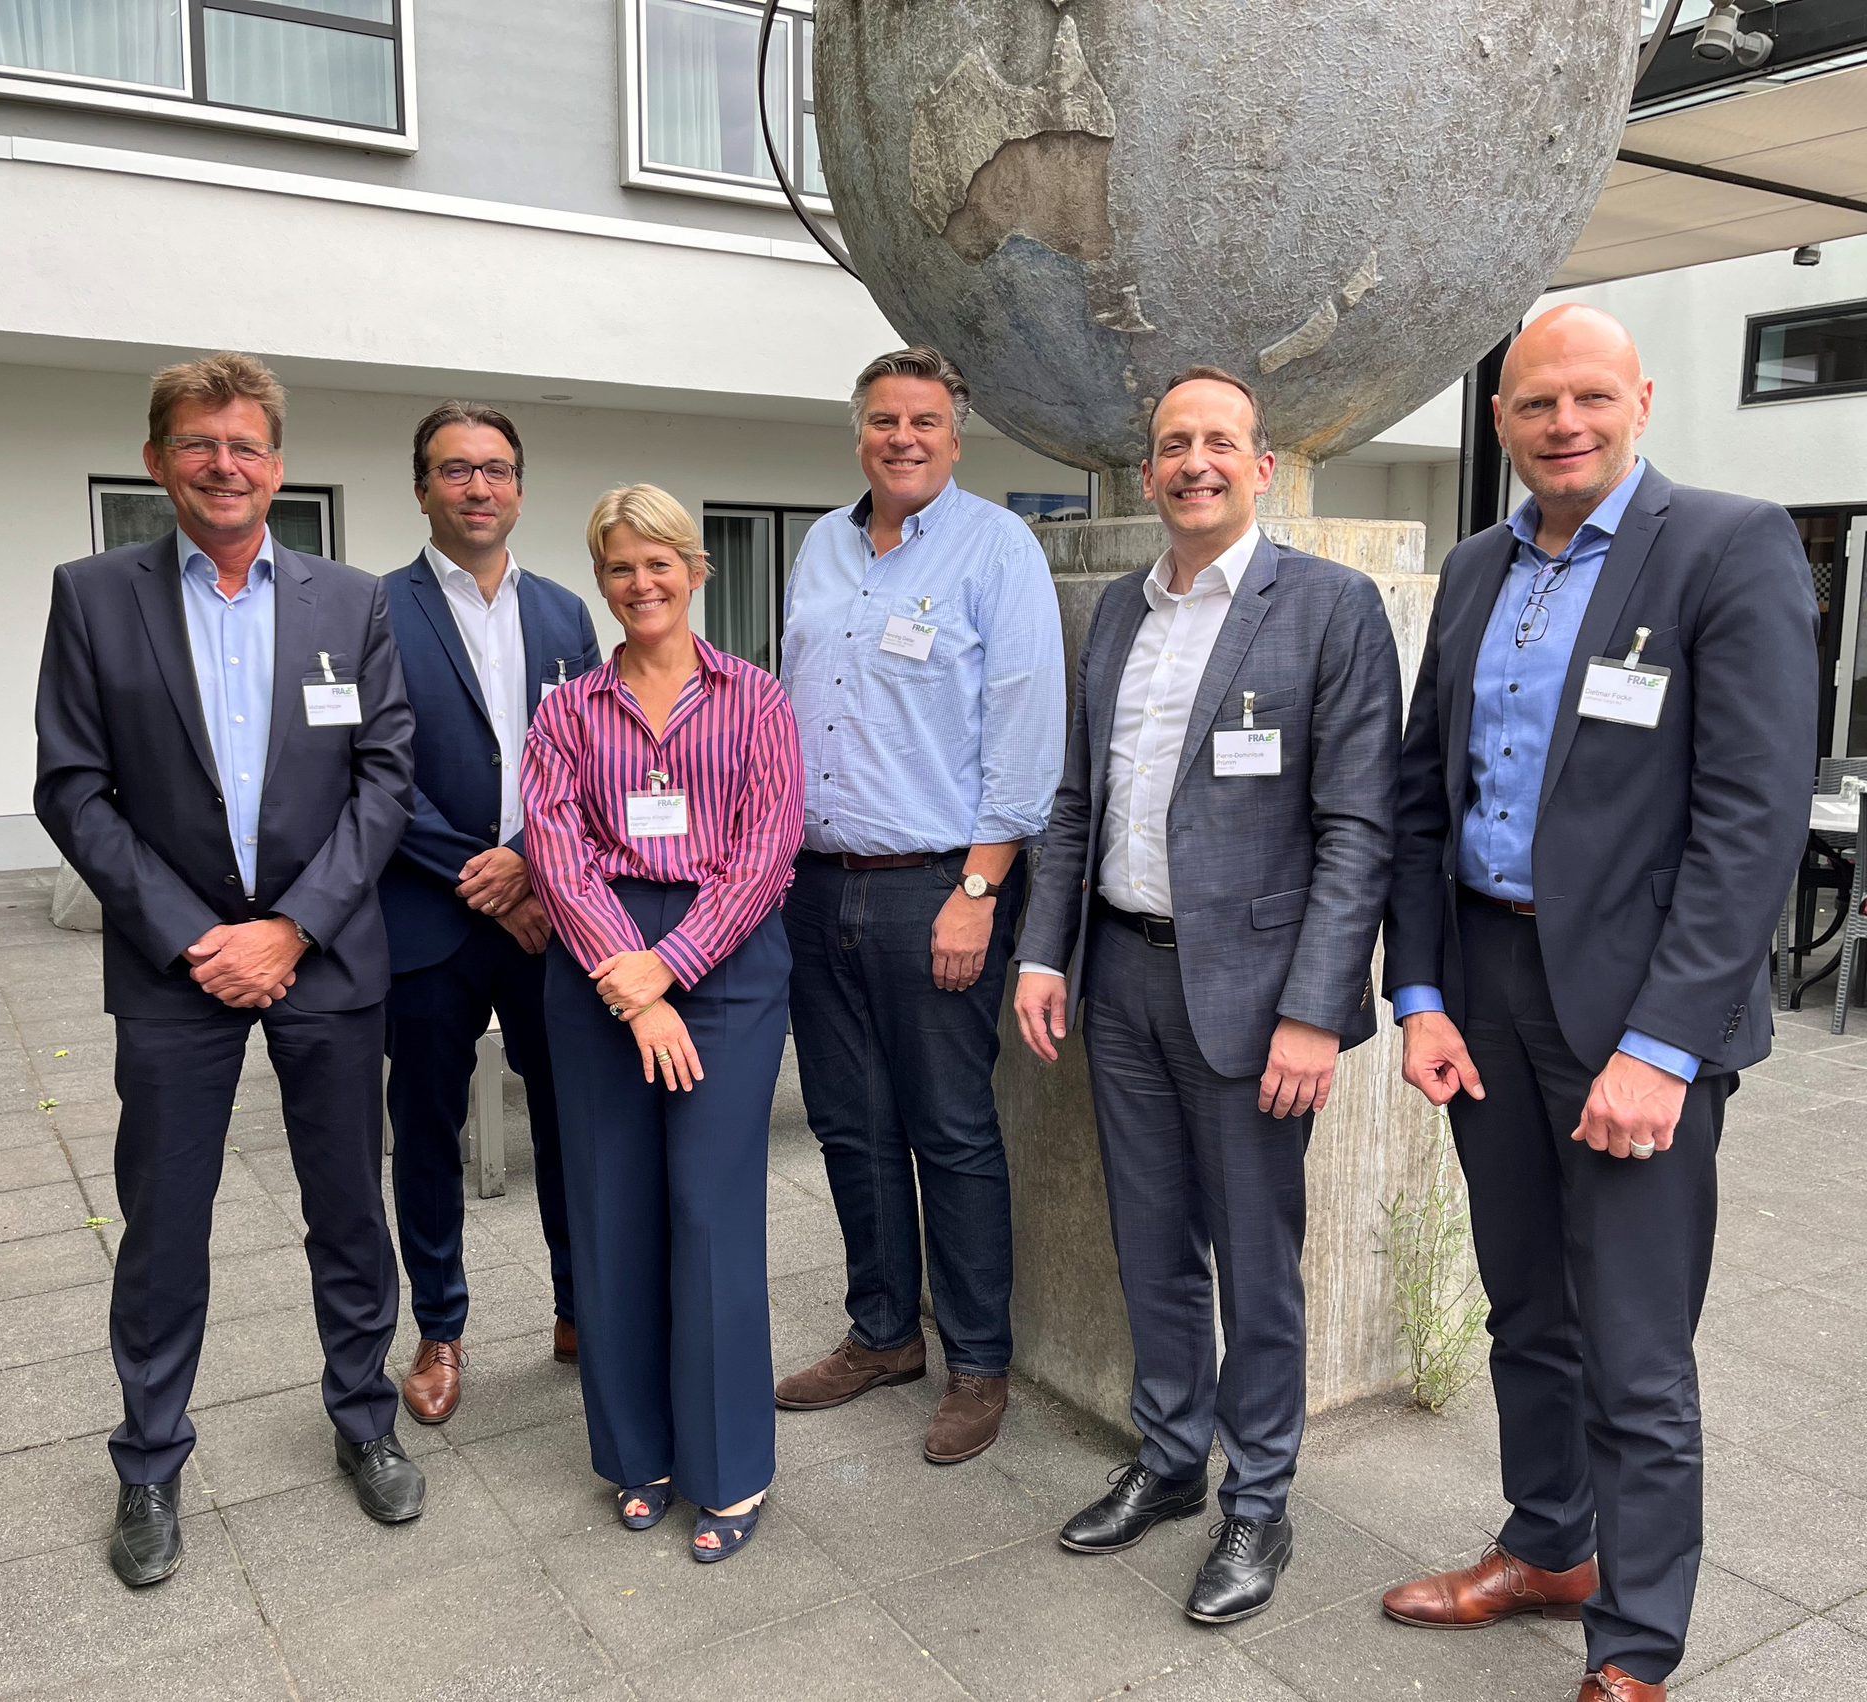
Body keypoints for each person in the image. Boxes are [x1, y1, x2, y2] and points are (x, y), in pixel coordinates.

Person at [1380, 305, 1817, 1702]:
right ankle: (1548, 1541)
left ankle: (1634, 1645)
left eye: (1587, 398)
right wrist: (1422, 988)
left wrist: (1666, 1042)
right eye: (1531, 404)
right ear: (1501, 419)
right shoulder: (1472, 569)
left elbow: (1751, 822)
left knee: (1633, 1344)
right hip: (1488, 991)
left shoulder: (1726, 547)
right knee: (1524, 1307)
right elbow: (1415, 795)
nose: (1561, 423)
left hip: (1635, 1016)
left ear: (1638, 396)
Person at [1012, 367, 1401, 1624]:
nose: (1196, 463)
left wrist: (1312, 1009)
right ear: (1146, 474)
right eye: (1174, 444)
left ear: (1262, 462)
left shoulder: (1331, 610)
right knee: (1150, 1243)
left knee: (1256, 1264)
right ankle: (1173, 1461)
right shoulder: (1121, 611)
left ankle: (1259, 1501)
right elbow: (1080, 800)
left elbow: (1357, 832)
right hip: (1120, 974)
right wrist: (1043, 951)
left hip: (1254, 1000)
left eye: (1218, 442)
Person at [33, 353, 425, 1590]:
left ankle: (365, 1416)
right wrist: (194, 934)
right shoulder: (93, 597)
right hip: (175, 967)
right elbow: (73, 787)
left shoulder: (347, 601)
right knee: (162, 1226)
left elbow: (386, 778)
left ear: (277, 463)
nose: (223, 465)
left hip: (323, 957)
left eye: (246, 444)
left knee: (348, 1207)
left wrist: (294, 927)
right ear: (158, 461)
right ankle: (149, 1458)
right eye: (198, 444)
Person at [773, 347, 1066, 1465]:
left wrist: (980, 890)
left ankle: (978, 1362)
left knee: (948, 1130)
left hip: (938, 887)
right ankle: (883, 1330)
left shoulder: (998, 547)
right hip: (816, 886)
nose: (904, 437)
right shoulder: (821, 545)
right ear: (861, 433)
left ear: (955, 435)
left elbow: (1026, 732)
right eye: (885, 419)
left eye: (926, 421)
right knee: (849, 1125)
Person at [523, 483, 802, 1563]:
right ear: (602, 579)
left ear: (697, 570)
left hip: (724, 964)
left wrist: (672, 969)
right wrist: (631, 986)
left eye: (660, 562)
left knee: (709, 1207)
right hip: (598, 967)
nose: (642, 583)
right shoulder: (567, 710)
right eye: (620, 566)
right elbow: (555, 850)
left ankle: (731, 1467)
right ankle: (637, 1451)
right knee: (613, 1206)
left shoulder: (757, 698)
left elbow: (767, 849)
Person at [378, 403, 602, 1423]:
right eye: (455, 470)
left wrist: (530, 866)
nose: (479, 487)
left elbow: (592, 760)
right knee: (424, 1131)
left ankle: (577, 1307)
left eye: (497, 469)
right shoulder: (370, 610)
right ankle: (440, 1326)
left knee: (571, 1120)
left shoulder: (566, 613)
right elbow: (368, 772)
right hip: (428, 919)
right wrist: (483, 871)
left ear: (520, 486)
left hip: (547, 916)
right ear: (421, 487)